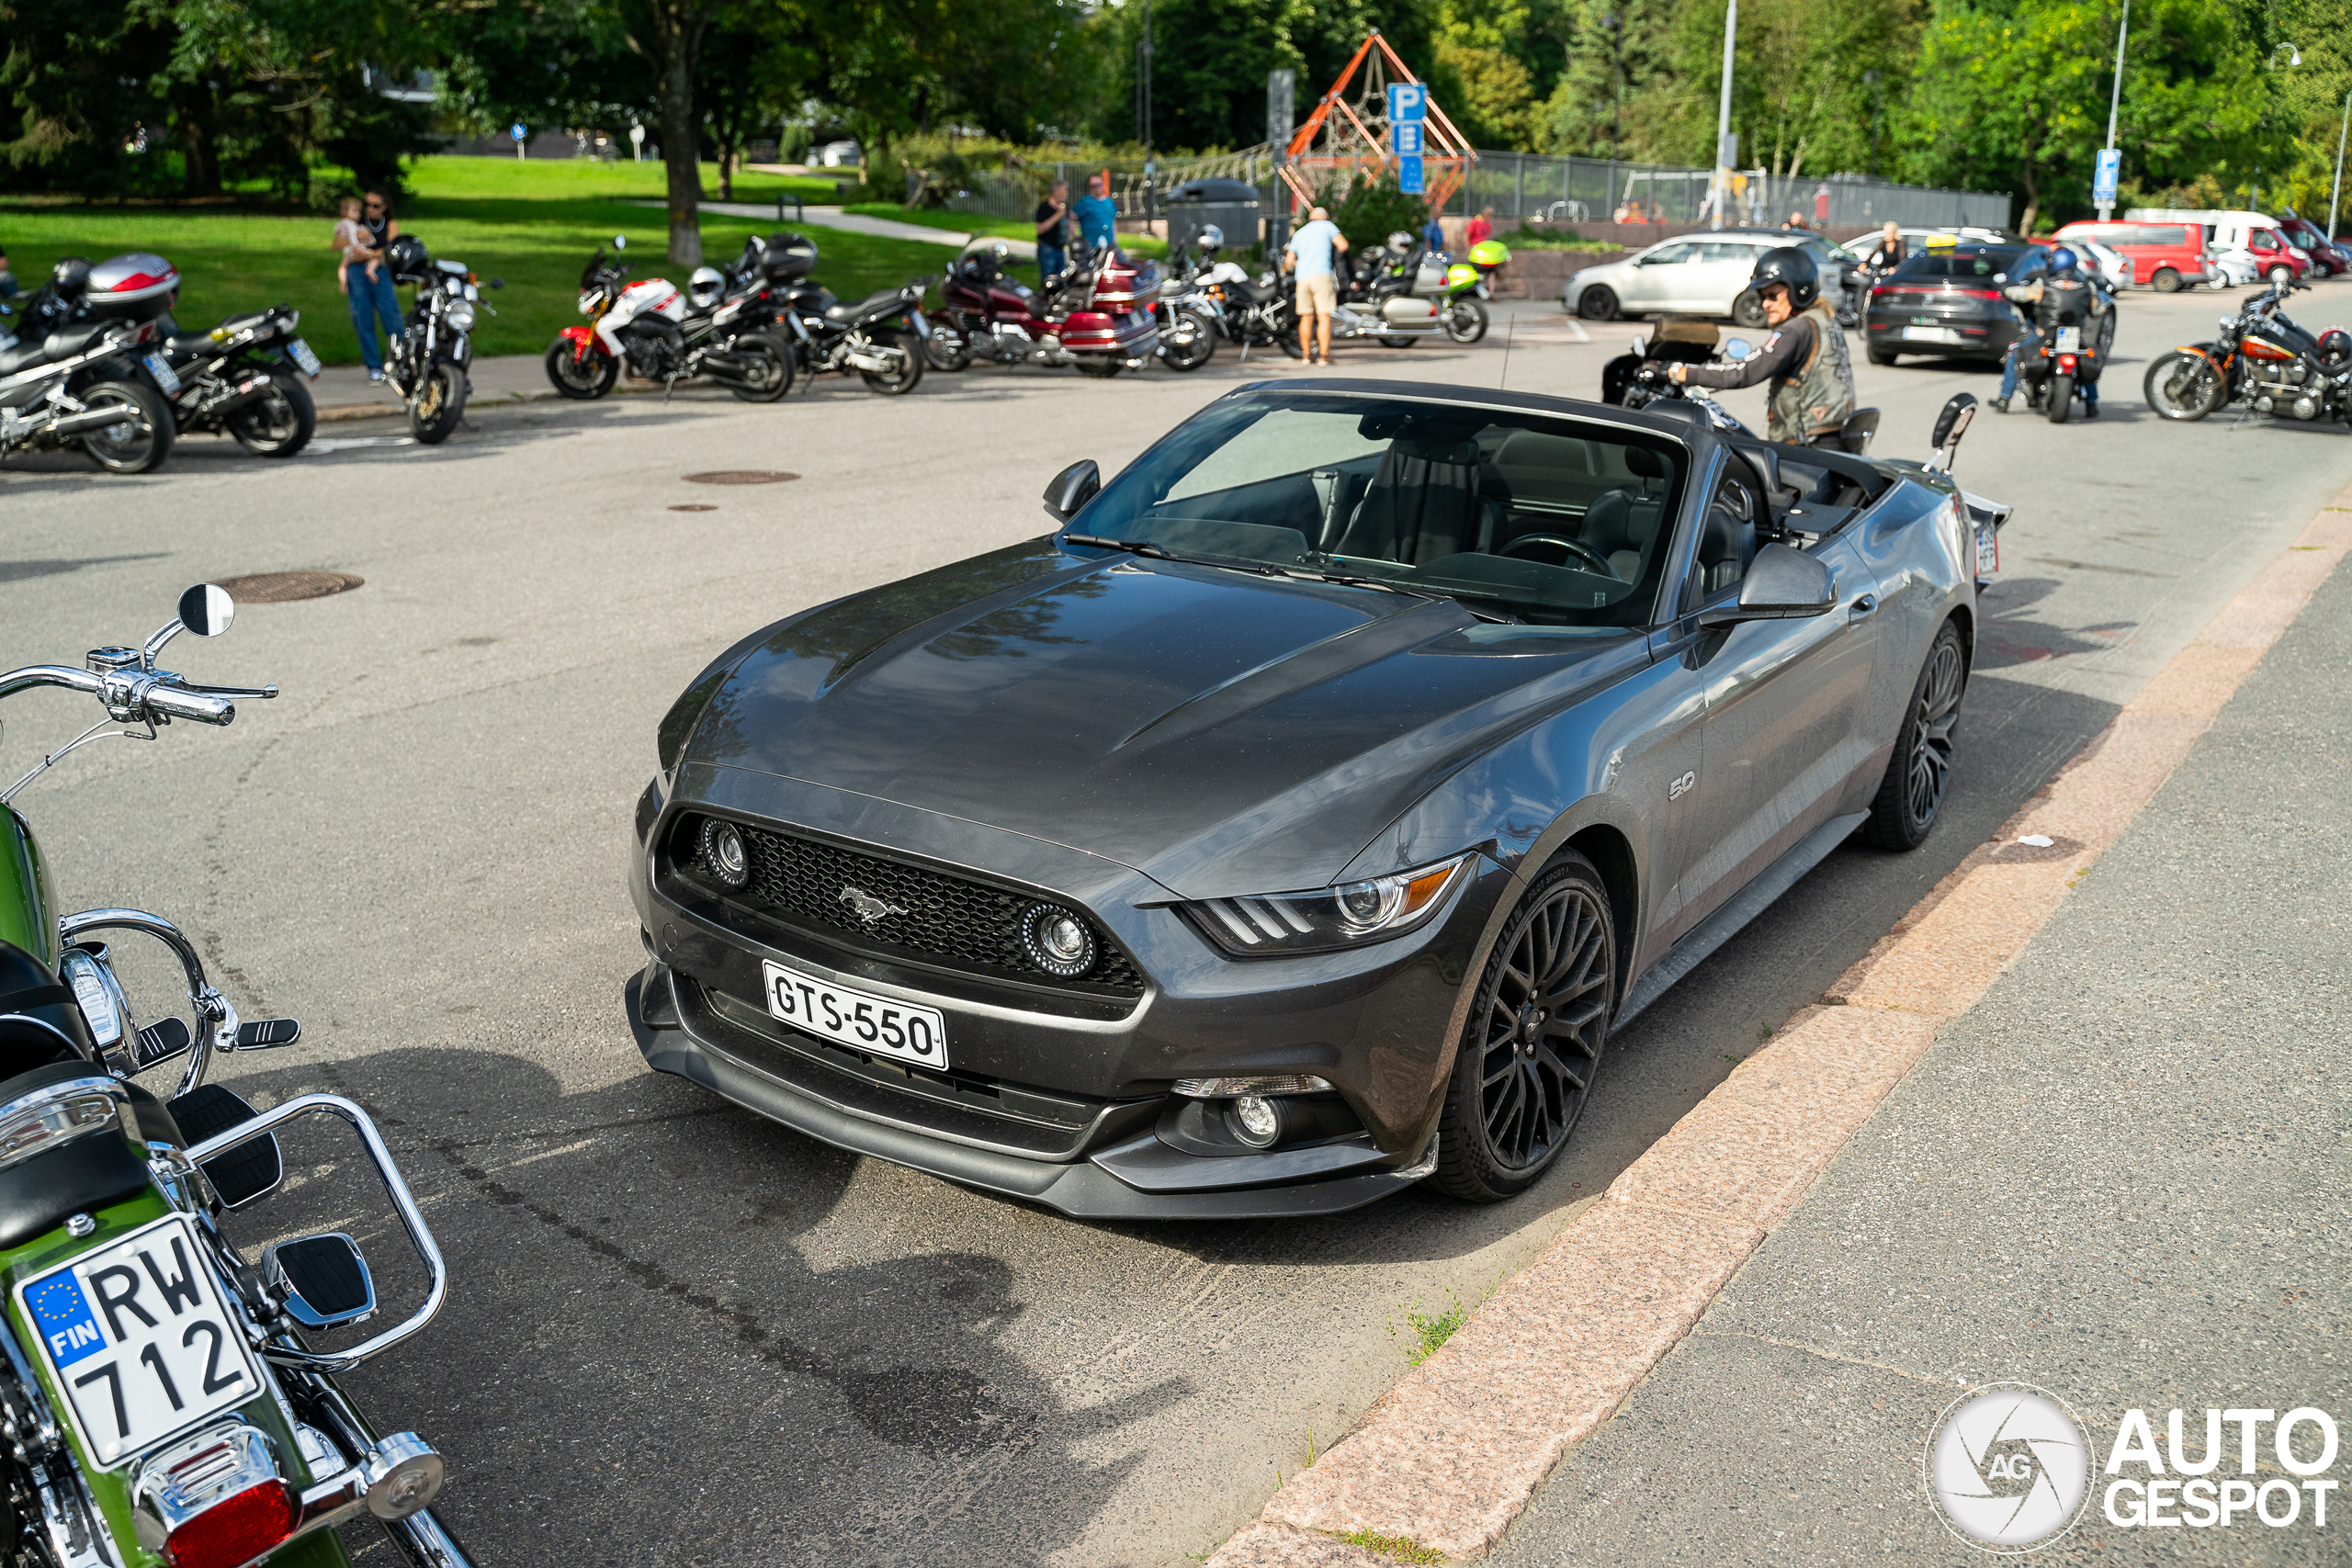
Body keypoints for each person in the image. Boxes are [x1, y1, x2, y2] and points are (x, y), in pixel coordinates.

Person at [1667, 246, 1855, 446]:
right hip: (1834, 433)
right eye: (1763, 297)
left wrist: (1683, 372)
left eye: (1773, 296)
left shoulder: (1795, 330)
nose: (1765, 304)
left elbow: (1746, 371)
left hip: (1807, 443)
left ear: (1798, 289)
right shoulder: (1826, 321)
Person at [1992, 246, 2100, 417]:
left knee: (2015, 352)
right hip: (2074, 336)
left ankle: (2003, 400)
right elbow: (2097, 310)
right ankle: (2092, 404)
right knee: (2085, 360)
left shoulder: (2044, 285)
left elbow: (2020, 295)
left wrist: (2005, 288)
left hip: (2045, 335)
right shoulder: (2087, 286)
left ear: (2055, 263)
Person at [340, 189, 403, 383]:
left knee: (392, 318)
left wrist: (371, 255)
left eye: (375, 206)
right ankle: (374, 367)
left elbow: (391, 249)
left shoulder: (391, 224)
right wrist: (373, 254)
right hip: (357, 273)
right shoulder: (356, 223)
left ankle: (399, 363)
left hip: (381, 273)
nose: (370, 209)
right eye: (367, 205)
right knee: (362, 318)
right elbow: (351, 252)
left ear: (384, 207)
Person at [1283, 204, 1350, 365]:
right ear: (1324, 217)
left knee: (1306, 317)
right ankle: (1324, 355)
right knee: (1323, 316)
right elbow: (1343, 245)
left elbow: (1289, 261)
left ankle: (1306, 355)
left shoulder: (1300, 233)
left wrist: (1304, 262)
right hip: (1321, 275)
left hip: (1303, 277)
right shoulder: (1327, 226)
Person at [1035, 179, 1071, 286]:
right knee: (1049, 281)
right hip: (1048, 249)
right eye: (1064, 190)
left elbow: (1068, 225)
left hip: (1060, 249)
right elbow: (1040, 229)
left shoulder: (1065, 206)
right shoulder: (1044, 207)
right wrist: (1057, 215)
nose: (1066, 193)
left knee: (1061, 281)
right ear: (1056, 191)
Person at [1073, 174, 1117, 255]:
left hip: (1109, 245)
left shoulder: (1109, 202)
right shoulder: (1085, 202)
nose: (1097, 188)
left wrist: (1115, 240)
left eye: (1098, 184)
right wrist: (1077, 238)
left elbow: (1113, 221)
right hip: (1091, 246)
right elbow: (1071, 219)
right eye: (1093, 186)